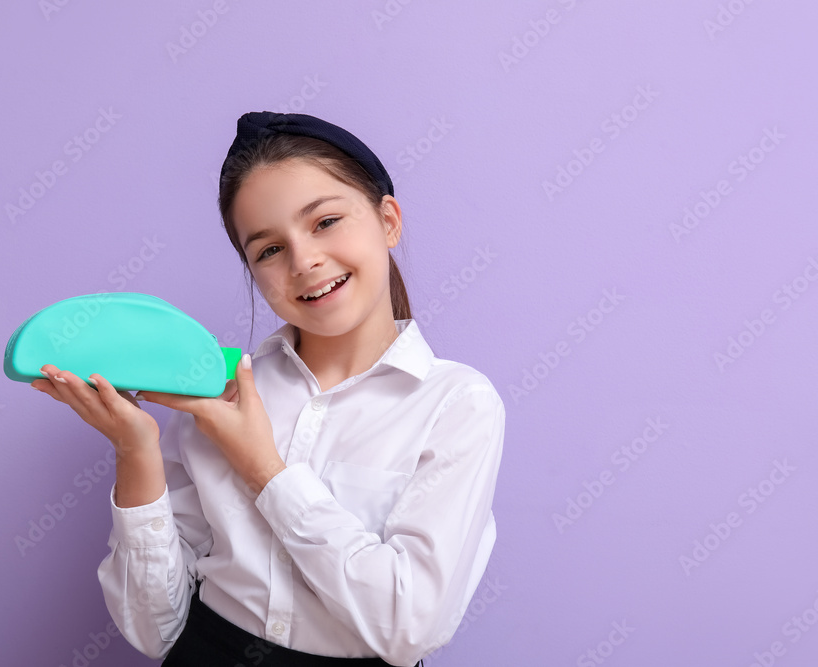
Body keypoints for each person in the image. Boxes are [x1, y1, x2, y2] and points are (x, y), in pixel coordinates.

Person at [31, 111, 506, 666]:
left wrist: (264, 470)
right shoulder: (219, 390)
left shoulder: (457, 404)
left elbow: (408, 628)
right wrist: (135, 450)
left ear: (389, 220)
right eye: (269, 250)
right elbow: (155, 630)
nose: (304, 260)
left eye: (325, 221)